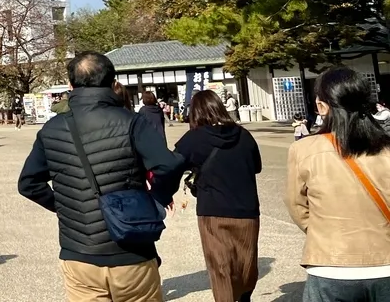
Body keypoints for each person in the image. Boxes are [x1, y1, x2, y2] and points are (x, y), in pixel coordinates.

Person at [17, 52, 182, 302]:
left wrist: (64, 206)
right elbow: (168, 165)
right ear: (113, 82)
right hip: (132, 249)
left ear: (71, 85)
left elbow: (28, 183)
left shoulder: (52, 128)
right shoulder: (131, 122)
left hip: (79, 252)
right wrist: (156, 198)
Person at [286, 66, 390, 300]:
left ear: (321, 106)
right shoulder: (386, 149)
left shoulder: (303, 149)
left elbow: (296, 205)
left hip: (329, 265)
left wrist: (322, 231)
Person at [162, 90, 261, 302]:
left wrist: (164, 194)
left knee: (220, 268)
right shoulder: (244, 135)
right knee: (246, 264)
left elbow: (171, 167)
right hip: (247, 210)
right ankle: (244, 297)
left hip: (213, 211)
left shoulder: (193, 139)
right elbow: (256, 167)